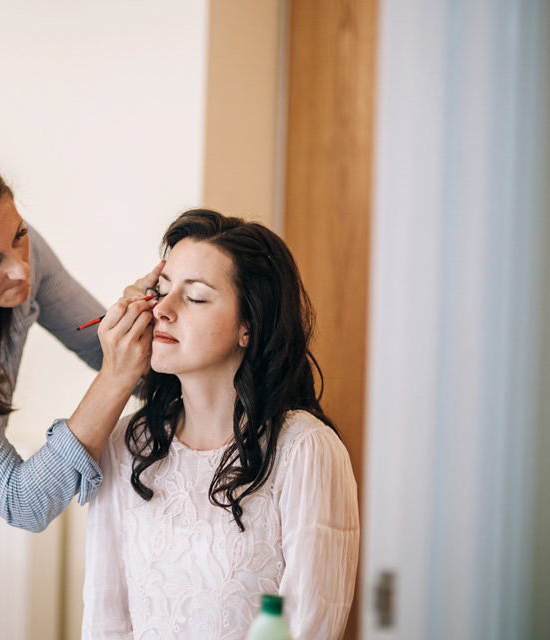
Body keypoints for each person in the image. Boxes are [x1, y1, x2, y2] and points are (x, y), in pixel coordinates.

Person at [0, 148, 161, 639]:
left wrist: (157, 328)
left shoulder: (23, 253)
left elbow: (98, 342)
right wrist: (114, 378)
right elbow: (21, 499)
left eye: (19, 234)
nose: (22, 269)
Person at [82, 210, 360, 640]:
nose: (163, 311)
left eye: (194, 297)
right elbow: (105, 620)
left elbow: (310, 627)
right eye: (160, 290)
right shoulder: (127, 445)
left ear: (248, 325)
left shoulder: (306, 451)